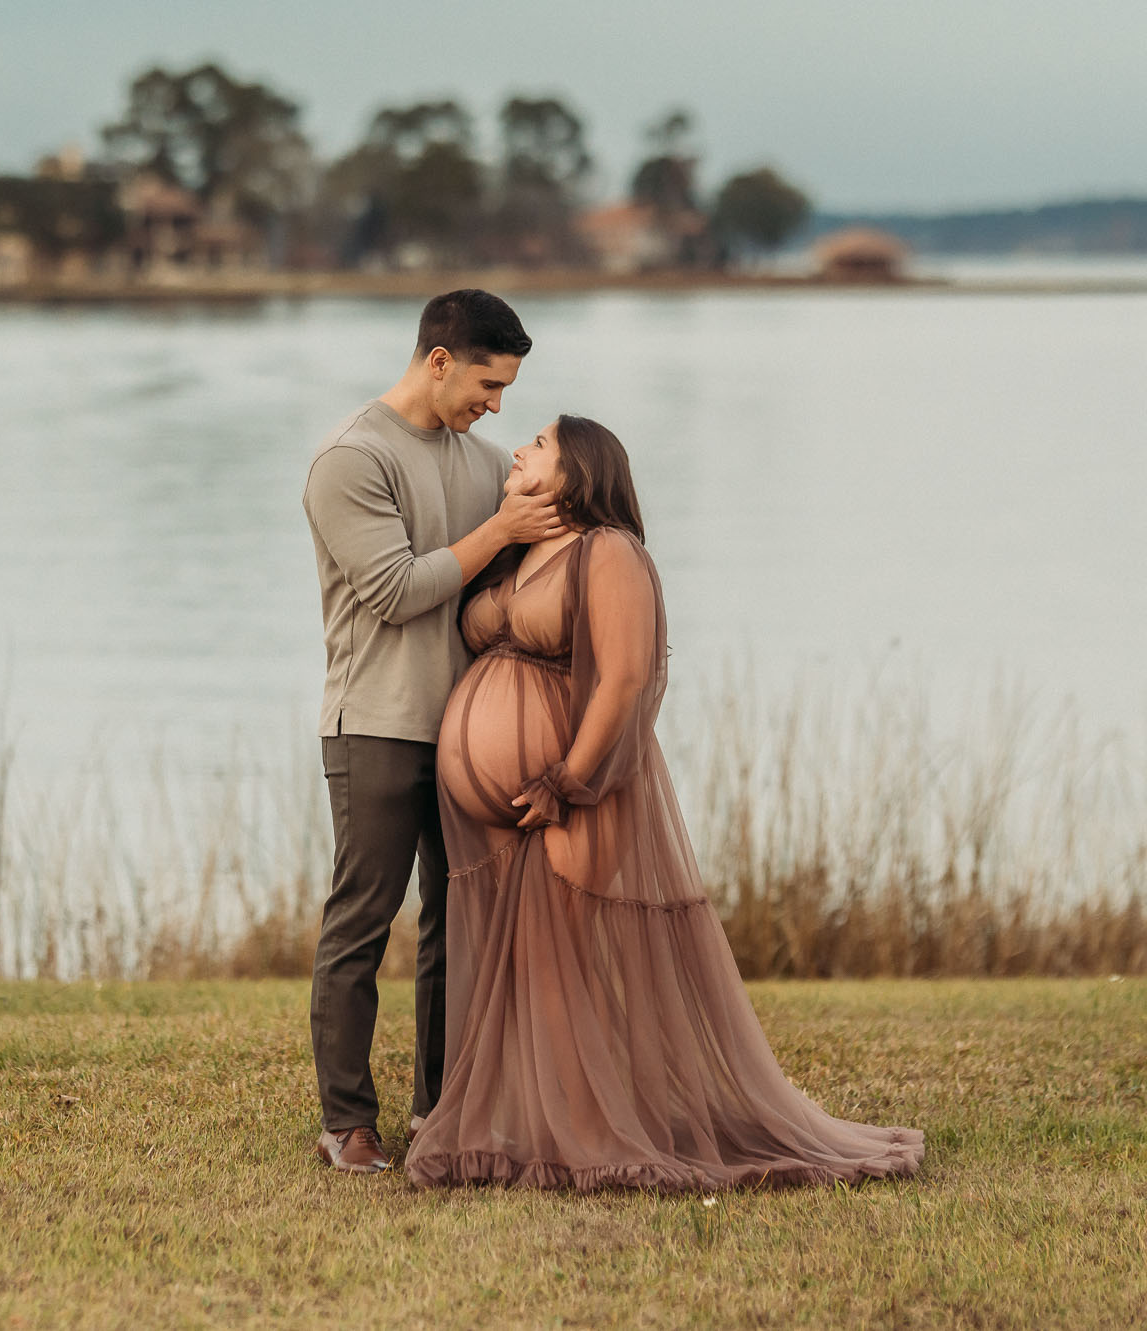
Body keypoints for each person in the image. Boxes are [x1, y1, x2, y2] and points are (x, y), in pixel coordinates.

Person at [404, 415, 925, 1192]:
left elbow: (627, 679)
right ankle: (548, 1126)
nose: (517, 449)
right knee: (525, 975)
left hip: (573, 797)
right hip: (498, 818)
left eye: (539, 445)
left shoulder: (609, 552)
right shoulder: (515, 550)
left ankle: (592, 1135)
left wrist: (566, 780)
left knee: (563, 967)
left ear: (580, 473)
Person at [301, 290, 565, 1174]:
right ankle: (349, 1124)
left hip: (468, 736)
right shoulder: (351, 458)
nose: (496, 406)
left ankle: (443, 1111)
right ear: (439, 359)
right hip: (375, 726)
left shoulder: (489, 463)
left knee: (460, 924)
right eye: (488, 384)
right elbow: (395, 591)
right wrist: (501, 529)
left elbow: (537, 564)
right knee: (362, 925)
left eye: (507, 390)